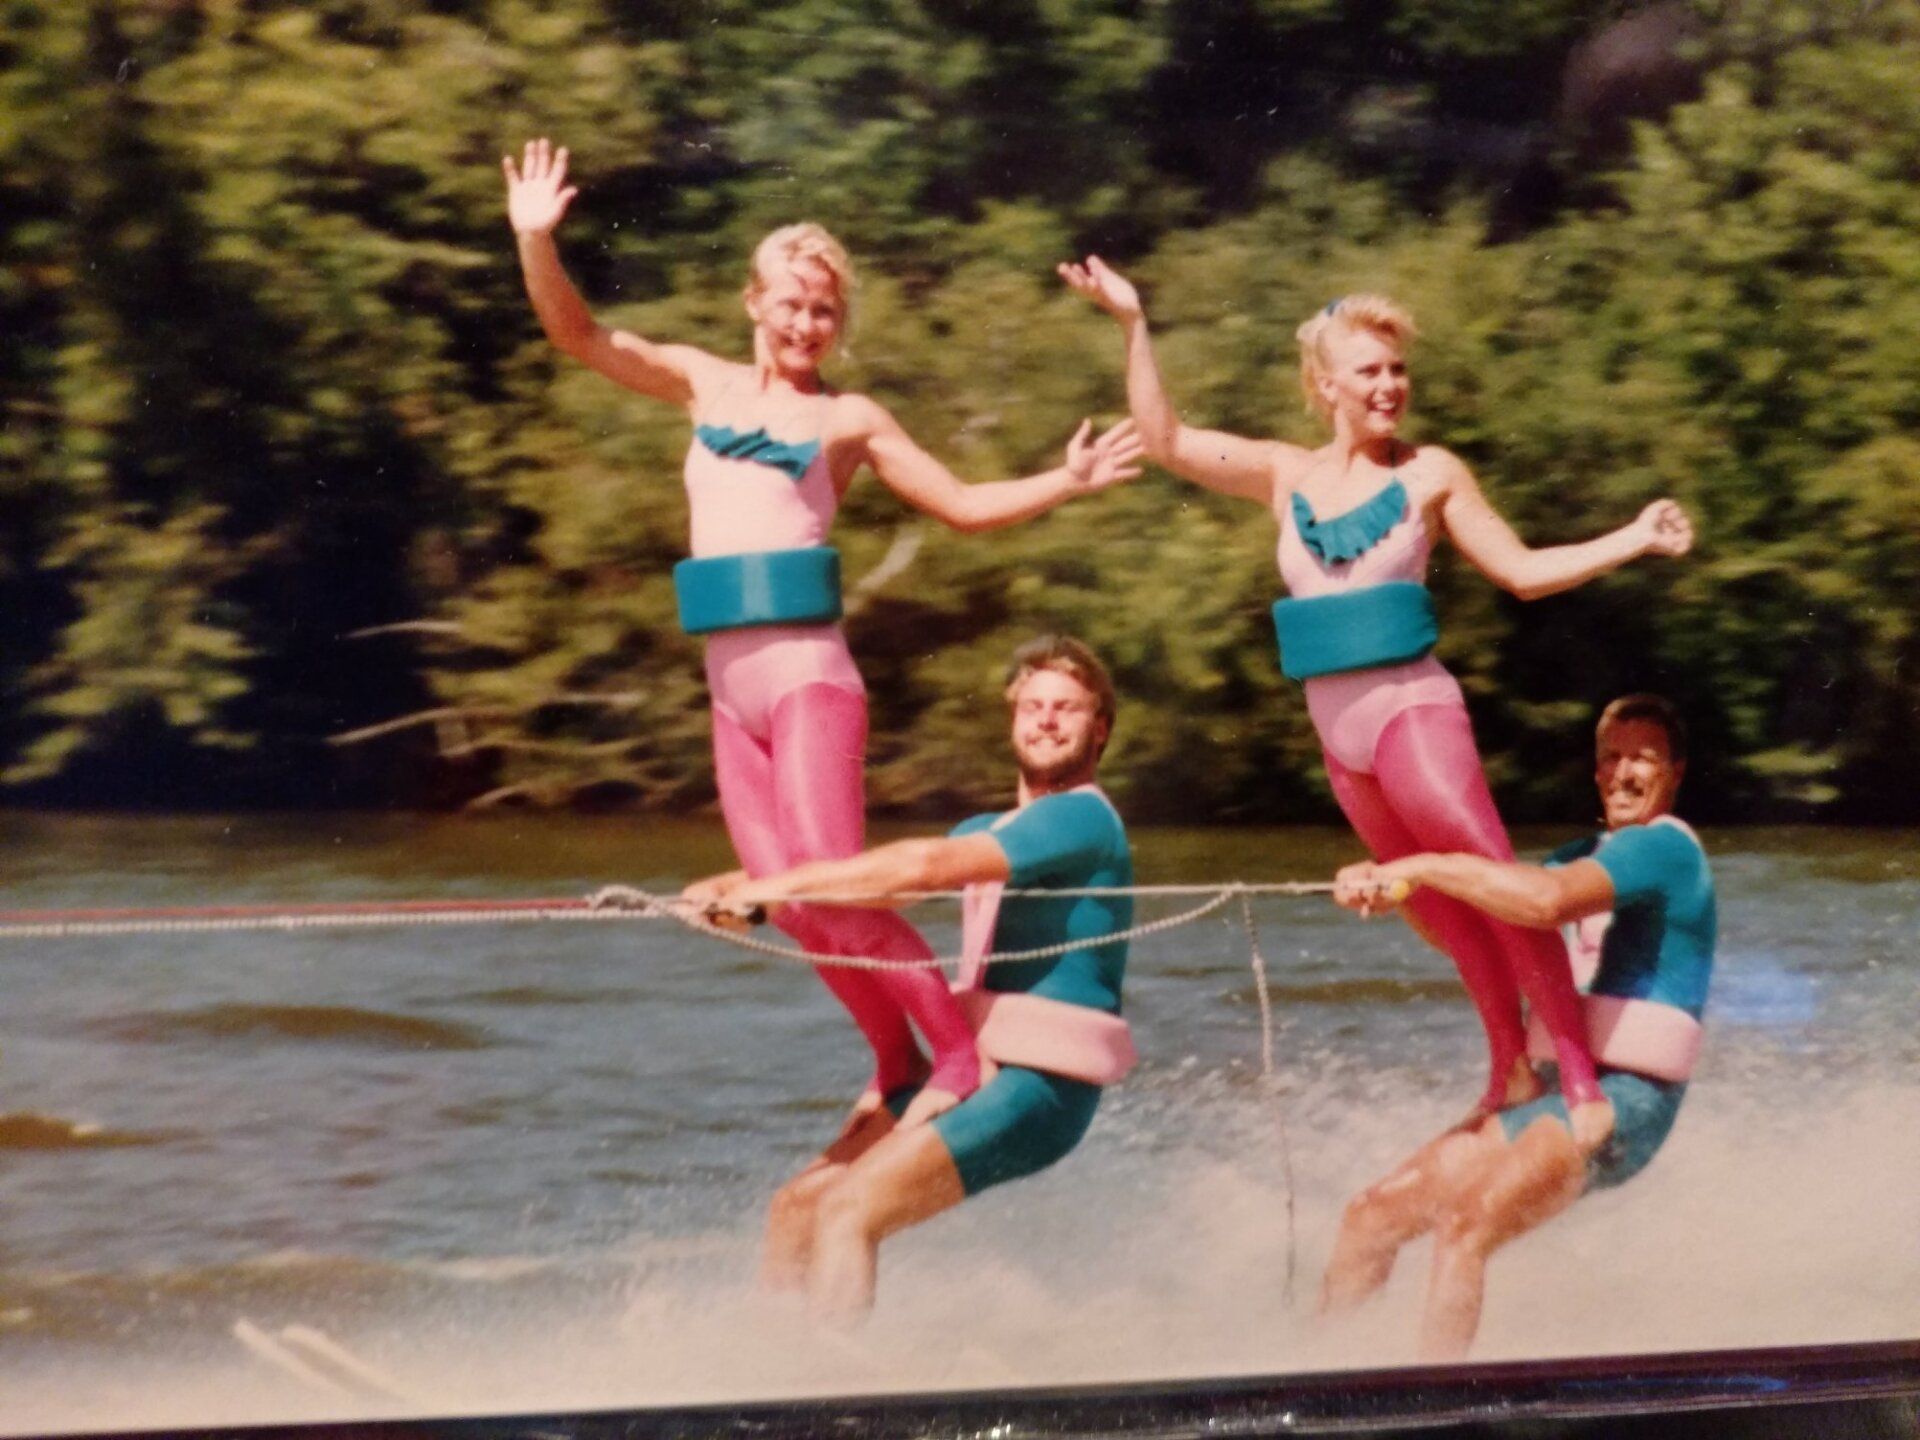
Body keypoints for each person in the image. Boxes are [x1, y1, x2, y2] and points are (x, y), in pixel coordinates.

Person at [504, 139, 1143, 1130]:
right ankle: (894, 1060)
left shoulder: (849, 419)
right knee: (796, 906)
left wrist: (1068, 479)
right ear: (752, 302)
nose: (806, 324)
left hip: (808, 681)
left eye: (824, 311)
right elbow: (576, 333)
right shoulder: (701, 383)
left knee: (836, 888)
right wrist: (535, 240)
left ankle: (957, 1059)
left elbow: (964, 505)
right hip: (730, 696)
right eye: (791, 304)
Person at [1059, 259, 1693, 1135]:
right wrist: (1133, 322)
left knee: (1498, 884)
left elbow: (1520, 572)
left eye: (1398, 369)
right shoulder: (1283, 473)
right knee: (1440, 911)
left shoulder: (1431, 473)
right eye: (1370, 371)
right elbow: (1165, 441)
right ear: (1327, 386)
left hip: (1410, 716)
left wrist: (1633, 537)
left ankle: (1581, 1086)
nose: (1390, 385)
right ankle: (1510, 1070)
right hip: (1341, 743)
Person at [683, 636, 1134, 1321]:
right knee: (797, 1207)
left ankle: (834, 1382)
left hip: (1042, 1087)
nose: (1046, 720)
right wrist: (739, 886)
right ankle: (773, 1359)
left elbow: (920, 868)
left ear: (1099, 729)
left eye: (1066, 709)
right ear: (1013, 721)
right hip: (981, 1067)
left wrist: (776, 886)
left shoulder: (1082, 817)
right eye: (1032, 707)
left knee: (848, 1209)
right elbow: (877, 886)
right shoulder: (988, 827)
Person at [1322, 695, 1715, 1359]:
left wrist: (1419, 867)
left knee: (1466, 1223)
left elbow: (1543, 902)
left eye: (1642, 758)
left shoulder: (1666, 849)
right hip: (1553, 1093)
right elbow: (1471, 934)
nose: (1622, 773)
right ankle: (1316, 1376)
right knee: (1371, 1215)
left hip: (1625, 1102)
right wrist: (1389, 889)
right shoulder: (1581, 855)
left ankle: (1434, 1402)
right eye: (1611, 757)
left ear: (1675, 772)